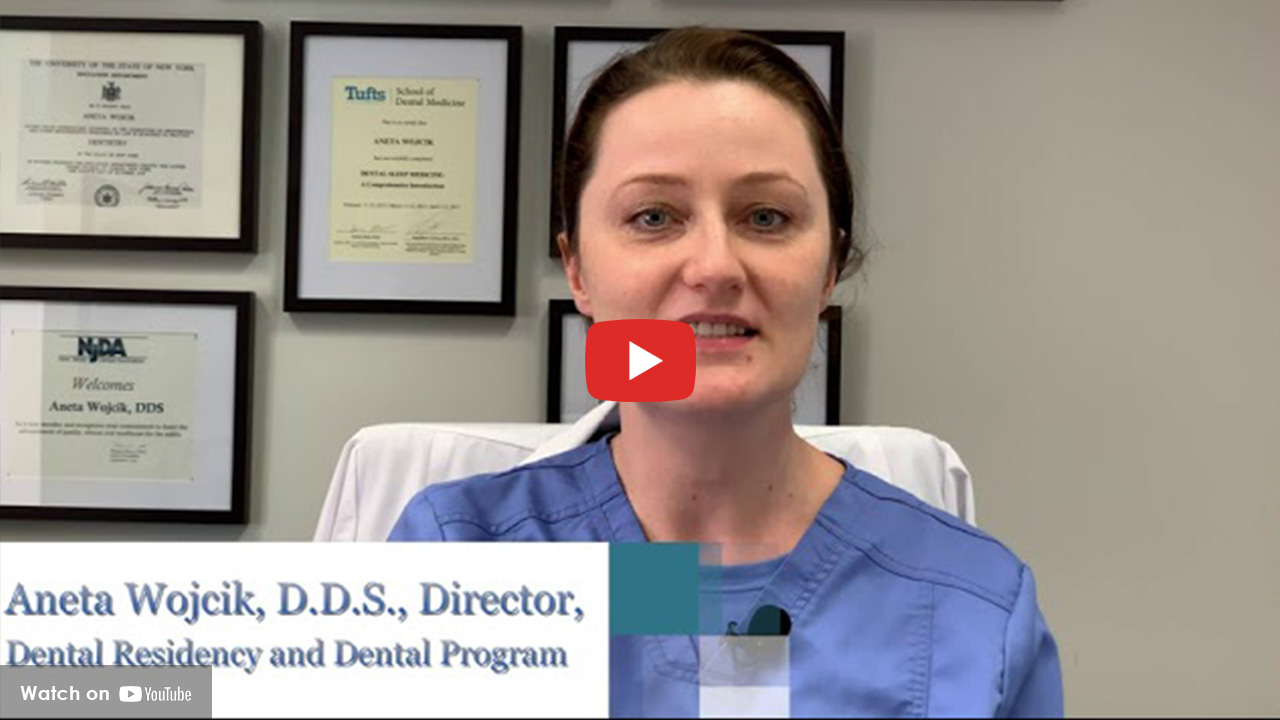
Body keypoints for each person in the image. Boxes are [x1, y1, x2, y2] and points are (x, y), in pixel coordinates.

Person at [390, 27, 1062, 717]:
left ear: (829, 269)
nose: (714, 267)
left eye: (766, 217)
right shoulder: (453, 556)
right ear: (578, 270)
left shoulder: (976, 607)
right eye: (653, 216)